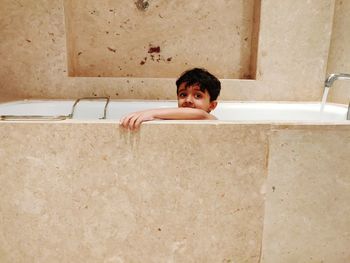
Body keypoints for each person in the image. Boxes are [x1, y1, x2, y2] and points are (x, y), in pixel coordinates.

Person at [120, 68, 221, 130]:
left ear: (212, 105)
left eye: (198, 96)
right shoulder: (175, 117)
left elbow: (200, 115)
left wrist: (151, 113)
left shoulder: (210, 119)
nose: (188, 100)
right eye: (183, 94)